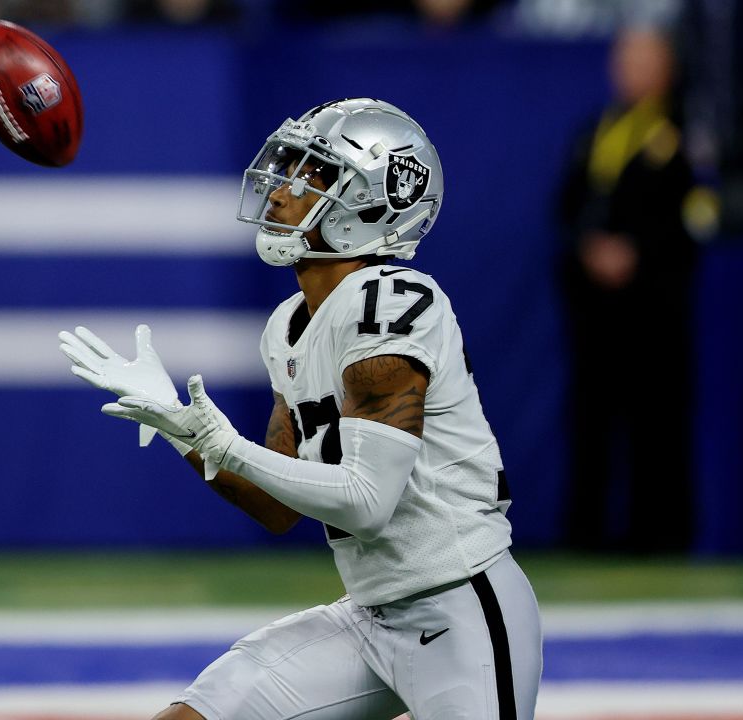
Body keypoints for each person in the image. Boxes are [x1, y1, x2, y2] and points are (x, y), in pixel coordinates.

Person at [59, 99, 541, 720]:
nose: (282, 190)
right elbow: (276, 506)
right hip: (370, 615)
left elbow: (367, 504)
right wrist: (182, 428)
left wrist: (227, 447)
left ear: (371, 203)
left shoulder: (390, 304)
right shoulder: (290, 326)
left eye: (312, 174)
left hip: (461, 609)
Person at [557, 26, 699, 553]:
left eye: (644, 62)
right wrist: (590, 247)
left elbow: (696, 213)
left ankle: (660, 536)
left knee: (656, 421)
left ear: (665, 69)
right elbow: (567, 205)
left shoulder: (683, 131)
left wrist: (638, 251)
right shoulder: (597, 130)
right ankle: (587, 535)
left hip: (654, 306)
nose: (631, 73)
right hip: (596, 308)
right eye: (625, 61)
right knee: (592, 419)